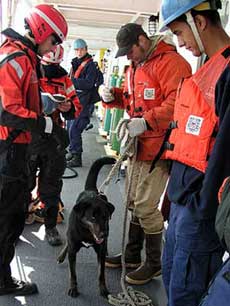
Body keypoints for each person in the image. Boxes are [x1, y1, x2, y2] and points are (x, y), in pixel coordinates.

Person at [101, 23, 191, 285]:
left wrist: (147, 121)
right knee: (131, 201)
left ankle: (154, 264)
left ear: (142, 40)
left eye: (130, 51)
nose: (128, 57)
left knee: (144, 206)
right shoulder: (137, 66)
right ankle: (131, 255)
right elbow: (133, 100)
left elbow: (178, 103)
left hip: (160, 149)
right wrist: (112, 96)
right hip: (139, 147)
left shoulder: (171, 63)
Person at [159, 0, 230, 305]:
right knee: (173, 277)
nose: (180, 43)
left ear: (199, 22)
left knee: (189, 289)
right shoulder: (207, 69)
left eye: (179, 32)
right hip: (181, 199)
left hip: (200, 208)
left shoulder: (227, 74)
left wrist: (203, 209)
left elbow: (225, 151)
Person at [0, 4, 68, 295]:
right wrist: (46, 124)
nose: (53, 48)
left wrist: (43, 100)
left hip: (13, 149)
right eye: (54, 40)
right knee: (9, 219)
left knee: (11, 216)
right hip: (9, 150)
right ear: (41, 31)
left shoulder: (21, 56)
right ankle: (3, 281)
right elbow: (7, 111)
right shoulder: (17, 57)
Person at [27, 45, 82, 246]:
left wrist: (68, 107)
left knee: (51, 186)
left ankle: (50, 227)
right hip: (30, 135)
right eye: (46, 64)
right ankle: (20, 219)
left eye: (54, 65)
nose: (49, 68)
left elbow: (77, 108)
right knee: (23, 182)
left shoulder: (65, 80)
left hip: (54, 139)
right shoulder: (30, 73)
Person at [66, 38, 99, 167]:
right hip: (75, 100)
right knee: (69, 127)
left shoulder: (90, 66)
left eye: (81, 49)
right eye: (76, 50)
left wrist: (72, 81)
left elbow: (89, 83)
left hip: (84, 102)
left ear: (86, 49)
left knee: (75, 128)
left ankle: (77, 156)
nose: (79, 52)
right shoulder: (75, 63)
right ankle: (72, 151)